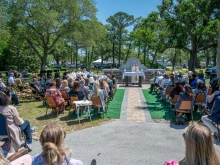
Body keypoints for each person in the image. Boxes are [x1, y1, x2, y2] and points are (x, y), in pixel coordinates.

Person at [0, 88, 35, 152]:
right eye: (10, 95)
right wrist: (22, 120)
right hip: (10, 133)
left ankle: (29, 131)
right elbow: (19, 122)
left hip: (1, 133)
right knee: (26, 122)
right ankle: (28, 143)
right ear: (7, 97)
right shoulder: (11, 109)